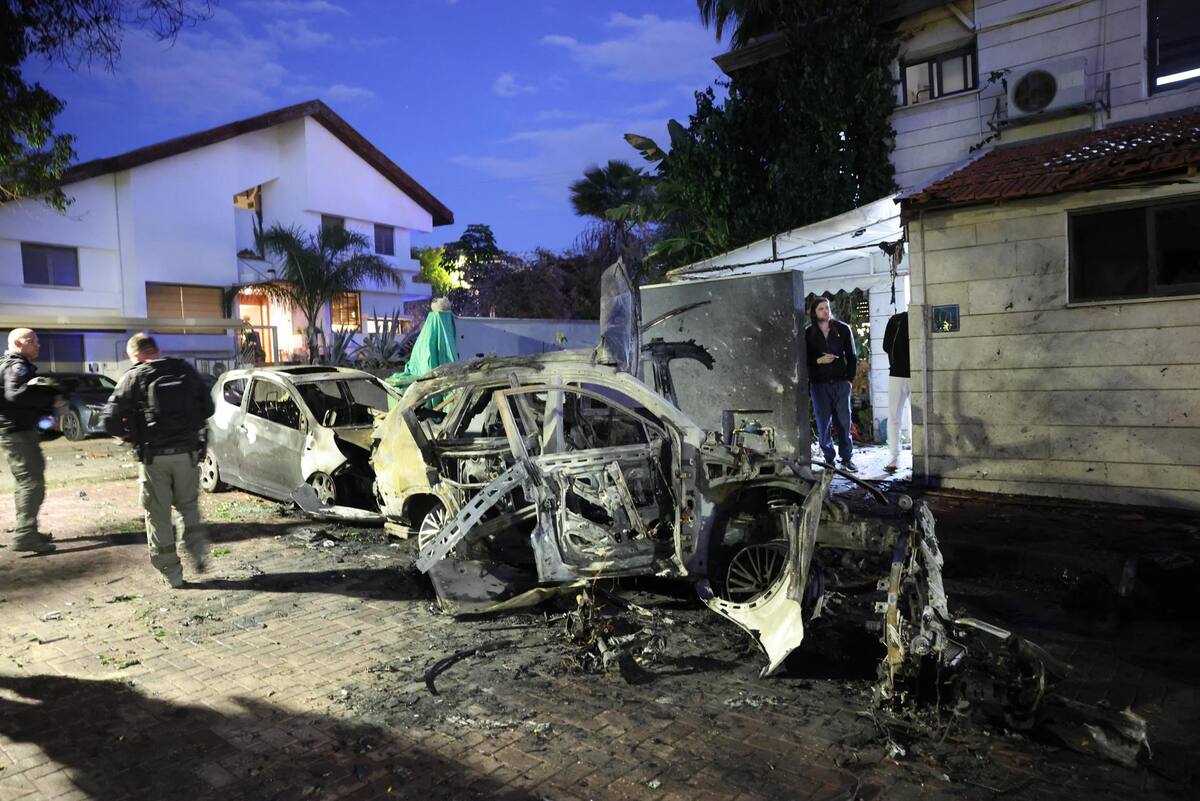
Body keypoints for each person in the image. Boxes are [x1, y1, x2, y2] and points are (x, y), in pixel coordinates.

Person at [98, 334, 215, 587]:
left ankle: (172, 574)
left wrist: (130, 434)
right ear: (156, 350)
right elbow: (208, 409)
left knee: (158, 515)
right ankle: (198, 554)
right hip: (187, 455)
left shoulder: (133, 376)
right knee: (188, 507)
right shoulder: (184, 370)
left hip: (154, 459)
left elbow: (109, 420)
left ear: (134, 355)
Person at [0, 328, 60, 554]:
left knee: (25, 482)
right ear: (17, 342)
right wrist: (50, 398)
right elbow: (16, 393)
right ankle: (25, 535)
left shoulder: (9, 363)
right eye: (32, 340)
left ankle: (28, 529)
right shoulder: (17, 365)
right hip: (18, 433)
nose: (38, 344)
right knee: (31, 483)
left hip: (14, 431)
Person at [805, 298, 858, 472]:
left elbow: (852, 356)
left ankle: (847, 458)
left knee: (844, 421)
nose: (825, 311)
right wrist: (818, 360)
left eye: (827, 308)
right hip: (819, 385)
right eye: (821, 309)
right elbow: (803, 359)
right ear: (814, 312)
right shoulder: (808, 333)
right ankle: (829, 459)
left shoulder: (842, 329)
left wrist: (849, 380)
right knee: (823, 423)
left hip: (841, 383)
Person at [882, 310, 911, 473]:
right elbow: (886, 346)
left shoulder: (896, 320)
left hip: (901, 373)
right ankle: (894, 457)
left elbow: (886, 345)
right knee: (895, 418)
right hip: (902, 373)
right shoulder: (896, 320)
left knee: (894, 418)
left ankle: (895, 458)